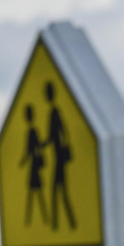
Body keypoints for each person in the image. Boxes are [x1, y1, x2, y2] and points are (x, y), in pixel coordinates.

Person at [43, 81, 77, 231]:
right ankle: (65, 222)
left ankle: (58, 224)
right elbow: (61, 132)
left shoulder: (54, 112)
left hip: (59, 158)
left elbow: (54, 135)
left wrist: (42, 145)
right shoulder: (55, 112)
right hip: (59, 158)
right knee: (60, 190)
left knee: (58, 190)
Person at [19, 103, 49, 227]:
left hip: (34, 166)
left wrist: (24, 160)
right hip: (34, 165)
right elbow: (30, 149)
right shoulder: (31, 131)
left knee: (35, 192)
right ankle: (32, 219)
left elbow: (32, 149)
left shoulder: (32, 132)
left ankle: (33, 219)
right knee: (34, 192)